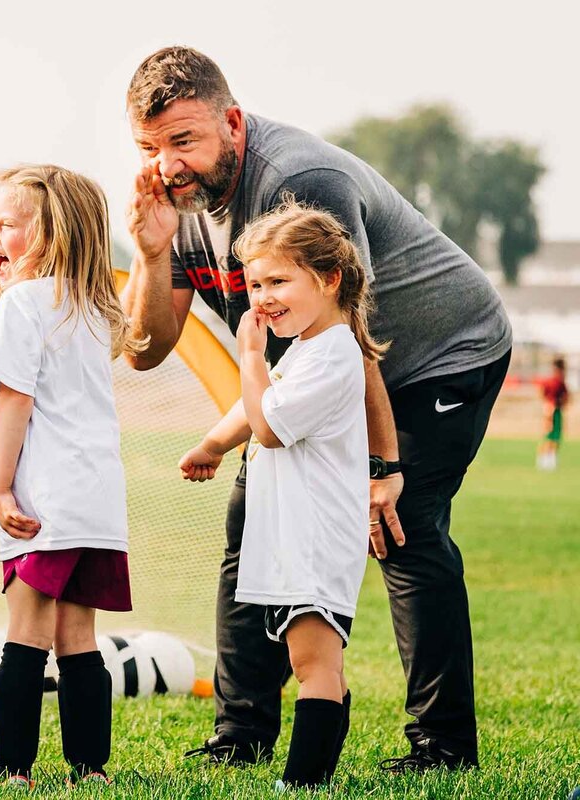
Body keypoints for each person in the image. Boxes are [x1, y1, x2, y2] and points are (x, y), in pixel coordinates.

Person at [122, 46, 512, 772]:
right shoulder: (174, 206)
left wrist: (382, 465)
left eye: (184, 140)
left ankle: (444, 746)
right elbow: (145, 349)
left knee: (400, 526)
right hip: (314, 370)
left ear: (232, 123)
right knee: (253, 517)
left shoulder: (298, 183)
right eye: (149, 146)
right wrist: (149, 255)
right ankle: (241, 737)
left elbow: (355, 336)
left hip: (437, 354)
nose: (168, 163)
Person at [0, 165, 143, 789]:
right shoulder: (88, 306)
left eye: (7, 225)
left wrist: (0, 486)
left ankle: (14, 771)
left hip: (44, 496)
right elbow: (0, 378)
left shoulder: (23, 304)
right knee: (78, 632)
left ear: (51, 234)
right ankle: (90, 769)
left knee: (27, 630)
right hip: (97, 498)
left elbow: (14, 397)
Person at [181, 201, 382, 788]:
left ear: (329, 278)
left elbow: (267, 422)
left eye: (276, 281)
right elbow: (257, 408)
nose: (261, 297)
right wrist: (213, 445)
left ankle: (304, 781)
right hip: (292, 535)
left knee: (314, 663)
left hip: (315, 538)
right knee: (309, 660)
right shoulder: (307, 349)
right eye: (253, 284)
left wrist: (248, 355)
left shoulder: (335, 354)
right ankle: (312, 773)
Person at [537, 357, 568, 470]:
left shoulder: (560, 381)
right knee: (549, 434)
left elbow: (565, 397)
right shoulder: (554, 381)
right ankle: (544, 459)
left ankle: (550, 459)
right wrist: (547, 406)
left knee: (555, 435)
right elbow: (544, 393)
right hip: (551, 409)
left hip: (555, 409)